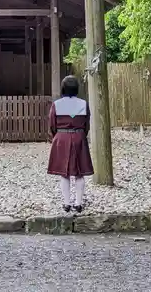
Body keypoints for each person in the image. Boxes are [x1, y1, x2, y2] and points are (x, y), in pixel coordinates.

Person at [47, 75, 94, 213]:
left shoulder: (57, 104)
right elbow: (87, 124)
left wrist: (58, 135)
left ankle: (66, 203)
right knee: (80, 173)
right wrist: (80, 134)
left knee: (64, 173)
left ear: (63, 88)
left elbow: (52, 124)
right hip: (79, 136)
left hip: (61, 137)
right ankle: (78, 204)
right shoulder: (83, 104)